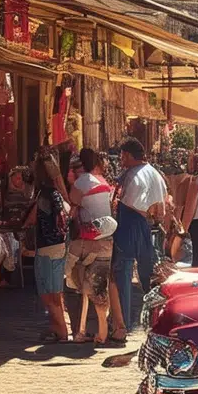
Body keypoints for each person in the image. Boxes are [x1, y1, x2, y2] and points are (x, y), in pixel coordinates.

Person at [111, 138, 167, 332]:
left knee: (123, 272)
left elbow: (131, 202)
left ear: (127, 154)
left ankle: (123, 322)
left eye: (122, 155)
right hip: (143, 225)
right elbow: (161, 206)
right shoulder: (154, 173)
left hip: (130, 223)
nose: (120, 159)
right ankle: (156, 318)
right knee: (147, 274)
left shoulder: (134, 175)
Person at [66, 148, 117, 346]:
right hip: (106, 239)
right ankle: (102, 332)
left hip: (88, 241)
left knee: (72, 279)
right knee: (98, 286)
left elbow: (72, 203)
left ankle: (79, 330)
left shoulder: (82, 182)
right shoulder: (101, 181)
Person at [25, 155, 71, 343]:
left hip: (47, 246)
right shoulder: (57, 193)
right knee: (56, 291)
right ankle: (56, 327)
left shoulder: (43, 195)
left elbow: (33, 219)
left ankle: (62, 332)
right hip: (60, 244)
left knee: (47, 293)